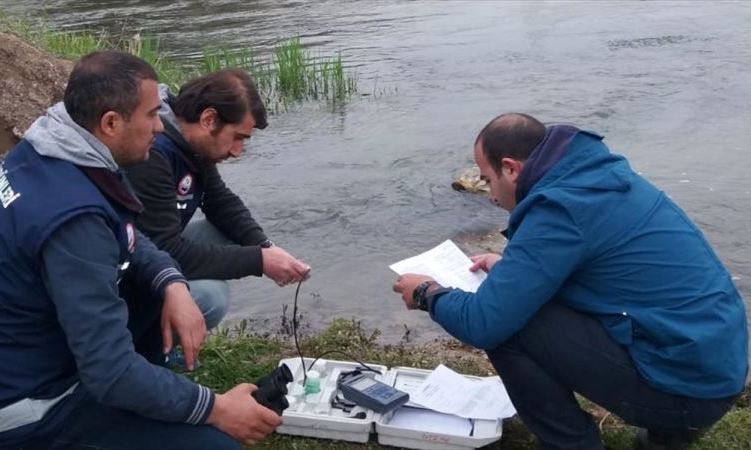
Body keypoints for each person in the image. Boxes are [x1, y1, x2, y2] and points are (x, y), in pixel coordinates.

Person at [393, 113, 748, 450]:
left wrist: (427, 293)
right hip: (714, 367)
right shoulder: (596, 177)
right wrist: (508, 268)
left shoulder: (559, 210)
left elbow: (483, 324)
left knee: (508, 329)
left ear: (511, 168)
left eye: (487, 180)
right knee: (524, 303)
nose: (489, 194)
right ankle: (665, 436)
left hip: (688, 391)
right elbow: (598, 270)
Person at [0, 51, 281, 450]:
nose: (160, 128)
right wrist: (215, 408)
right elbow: (110, 373)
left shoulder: (49, 150)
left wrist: (172, 283)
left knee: (156, 292)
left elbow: (127, 231)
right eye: (150, 116)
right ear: (111, 123)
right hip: (29, 404)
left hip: (30, 351)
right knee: (220, 445)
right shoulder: (74, 220)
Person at [124, 69, 310, 333]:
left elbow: (219, 201)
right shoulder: (153, 153)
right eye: (237, 138)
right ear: (209, 119)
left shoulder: (189, 144)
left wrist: (266, 247)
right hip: (127, 270)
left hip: (153, 251)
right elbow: (166, 250)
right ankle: (144, 346)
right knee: (211, 298)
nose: (237, 151)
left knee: (225, 231)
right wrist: (259, 261)